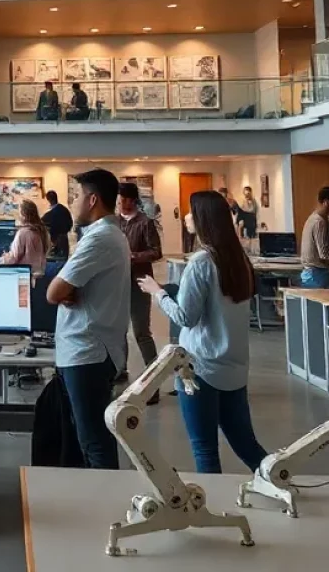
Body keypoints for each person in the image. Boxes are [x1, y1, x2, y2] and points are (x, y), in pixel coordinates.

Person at [138, 190, 268, 475]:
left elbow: (185, 317)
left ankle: (214, 502)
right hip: (234, 368)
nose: (186, 217)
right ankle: (281, 482)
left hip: (200, 369)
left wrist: (158, 292)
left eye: (190, 212)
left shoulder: (201, 263)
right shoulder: (239, 259)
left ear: (203, 219)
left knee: (205, 449)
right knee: (247, 445)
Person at [47, 168, 129, 469]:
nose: (73, 202)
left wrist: (64, 289)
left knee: (94, 441)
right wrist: (67, 288)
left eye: (77, 196)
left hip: (88, 352)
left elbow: (54, 292)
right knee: (87, 438)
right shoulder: (102, 235)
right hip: (87, 350)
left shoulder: (100, 239)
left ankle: (106, 496)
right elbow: (65, 288)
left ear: (92, 199)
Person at [117, 182, 163, 398]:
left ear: (134, 200)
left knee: (141, 333)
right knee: (118, 332)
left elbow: (156, 251)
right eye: (121, 199)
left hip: (140, 283)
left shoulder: (145, 222)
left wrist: (134, 256)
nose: (124, 203)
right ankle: (120, 375)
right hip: (117, 284)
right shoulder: (113, 222)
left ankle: (153, 384)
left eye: (127, 199)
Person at [0, 199, 50, 277]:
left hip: (24, 276)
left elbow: (14, 258)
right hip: (39, 275)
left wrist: (5, 258)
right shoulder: (42, 231)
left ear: (23, 215)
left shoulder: (23, 233)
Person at [41, 189, 72, 261]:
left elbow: (40, 223)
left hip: (55, 242)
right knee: (63, 260)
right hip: (64, 240)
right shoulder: (64, 209)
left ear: (48, 200)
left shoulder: (50, 214)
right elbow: (70, 223)